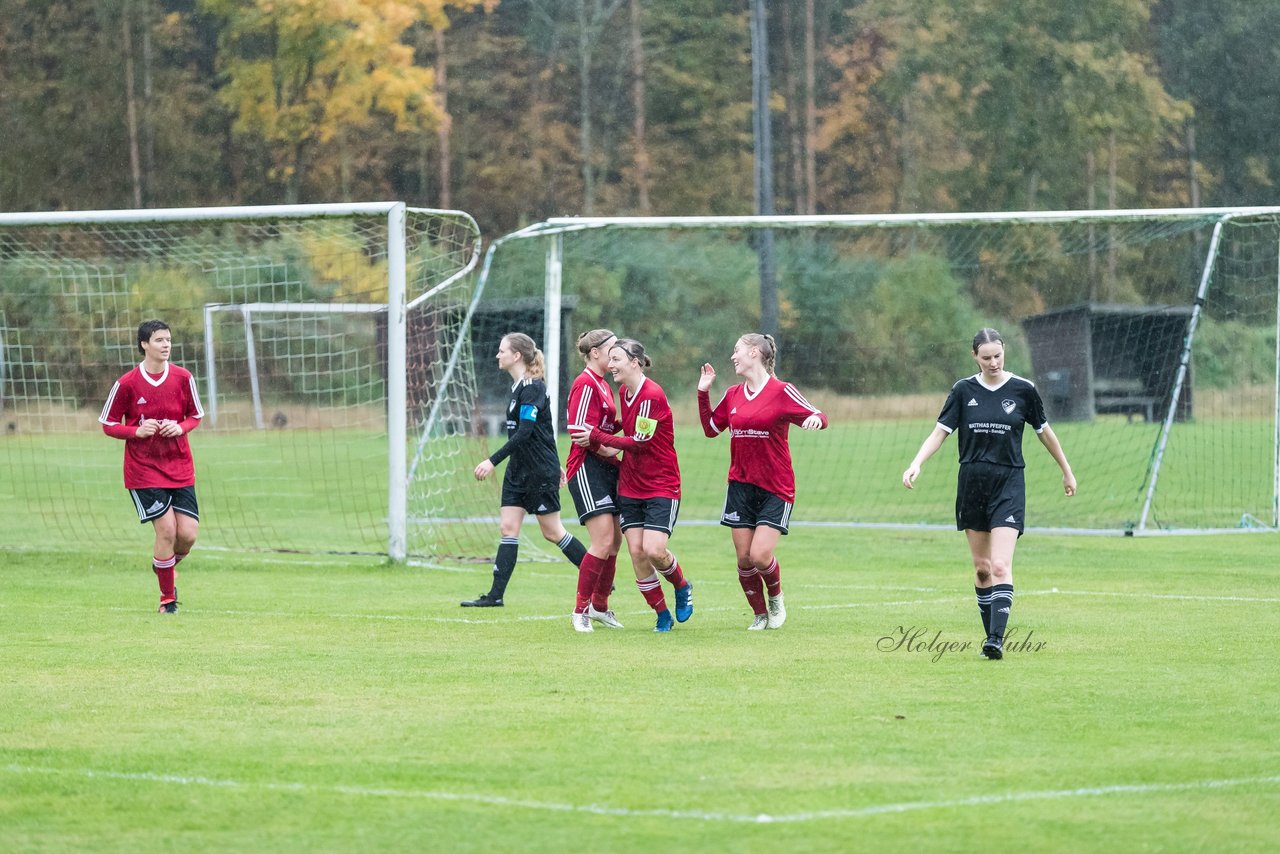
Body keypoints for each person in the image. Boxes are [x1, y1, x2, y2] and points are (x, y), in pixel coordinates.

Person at [901, 328, 1077, 660]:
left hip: (1009, 483)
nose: (993, 362)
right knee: (982, 568)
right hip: (972, 484)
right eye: (986, 358)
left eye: (998, 356)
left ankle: (995, 639)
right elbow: (940, 432)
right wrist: (916, 463)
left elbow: (1045, 433)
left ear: (1004, 352)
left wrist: (1066, 470)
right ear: (975, 357)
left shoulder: (1024, 390)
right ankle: (990, 635)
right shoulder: (963, 389)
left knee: (999, 565)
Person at [697, 333, 827, 630]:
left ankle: (776, 597)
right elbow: (711, 428)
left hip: (775, 487)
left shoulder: (782, 391)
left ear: (754, 353)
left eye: (737, 350)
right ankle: (758, 615)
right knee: (744, 559)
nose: (733, 357)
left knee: (759, 555)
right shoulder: (732, 393)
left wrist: (816, 420)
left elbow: (820, 414)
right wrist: (703, 393)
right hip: (740, 486)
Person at [569, 338, 693, 632]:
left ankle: (682, 585)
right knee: (636, 552)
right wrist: (607, 439)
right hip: (630, 484)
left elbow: (639, 442)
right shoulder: (624, 392)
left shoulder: (652, 394)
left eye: (617, 359)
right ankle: (662, 614)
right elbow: (629, 427)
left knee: (654, 549)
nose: (610, 365)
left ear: (635, 363)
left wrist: (597, 437)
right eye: (609, 359)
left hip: (661, 484)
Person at [462, 333, 588, 608]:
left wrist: (491, 461)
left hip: (538, 472)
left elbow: (526, 434)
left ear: (516, 356)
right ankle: (495, 596)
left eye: (502, 351)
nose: (498, 355)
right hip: (518, 472)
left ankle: (598, 579)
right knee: (508, 529)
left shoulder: (533, 388)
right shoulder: (519, 387)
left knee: (553, 532)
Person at [99, 319, 205, 614]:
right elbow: (108, 424)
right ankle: (167, 599)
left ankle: (164, 567)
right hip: (143, 469)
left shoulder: (184, 378)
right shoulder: (127, 383)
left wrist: (180, 427)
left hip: (180, 466)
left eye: (168, 340)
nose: (166, 345)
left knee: (188, 535)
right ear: (144, 344)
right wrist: (136, 432)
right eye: (159, 340)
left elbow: (195, 416)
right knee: (167, 530)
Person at [564, 328, 625, 632]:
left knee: (615, 541)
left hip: (606, 467)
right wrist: (613, 446)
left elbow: (602, 425)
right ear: (596, 352)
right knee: (602, 541)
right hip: (587, 468)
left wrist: (627, 421)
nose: (616, 354)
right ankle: (580, 611)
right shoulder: (585, 383)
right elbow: (578, 430)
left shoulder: (603, 384)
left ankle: (600, 607)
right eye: (612, 348)